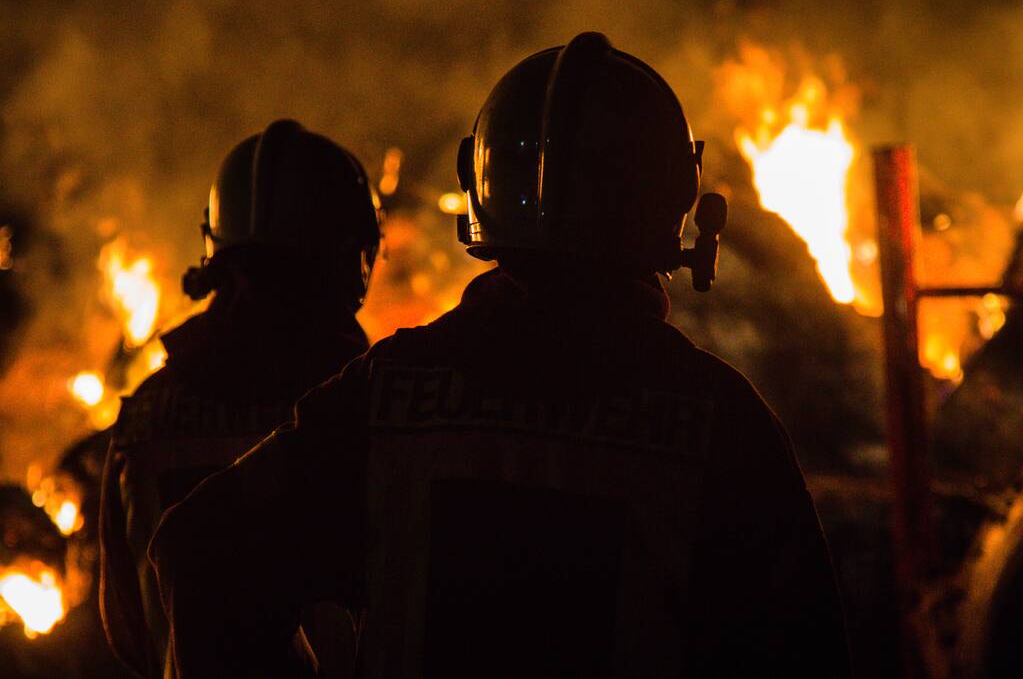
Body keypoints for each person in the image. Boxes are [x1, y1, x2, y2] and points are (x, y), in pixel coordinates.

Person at [150, 34, 850, 678]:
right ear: (674, 203)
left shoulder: (388, 397)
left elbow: (200, 551)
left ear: (481, 191)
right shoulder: (721, 425)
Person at [99, 119, 381, 678]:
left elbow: (126, 631)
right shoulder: (366, 406)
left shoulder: (144, 417)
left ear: (216, 253)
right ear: (349, 258)